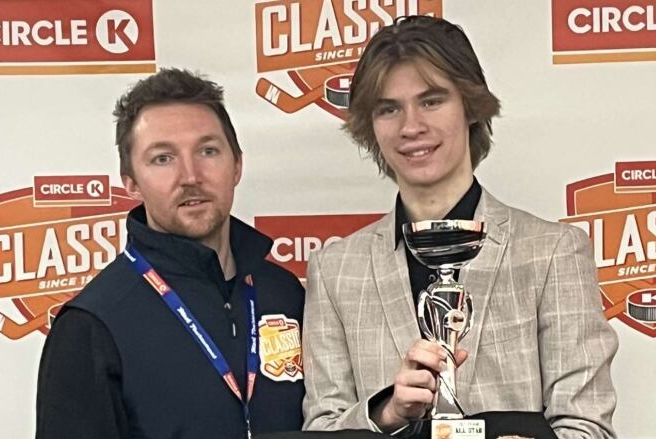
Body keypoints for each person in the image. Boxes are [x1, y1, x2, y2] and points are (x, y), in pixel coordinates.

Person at [301, 16, 618, 438]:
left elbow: (587, 427)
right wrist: (386, 413)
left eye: (431, 101)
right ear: (371, 126)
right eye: (389, 108)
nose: (411, 126)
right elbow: (322, 427)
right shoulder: (335, 268)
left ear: (470, 105)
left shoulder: (552, 252)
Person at [36, 69, 305, 439]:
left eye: (207, 151)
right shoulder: (92, 326)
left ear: (237, 165)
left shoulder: (286, 294)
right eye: (163, 158)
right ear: (131, 182)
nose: (191, 176)